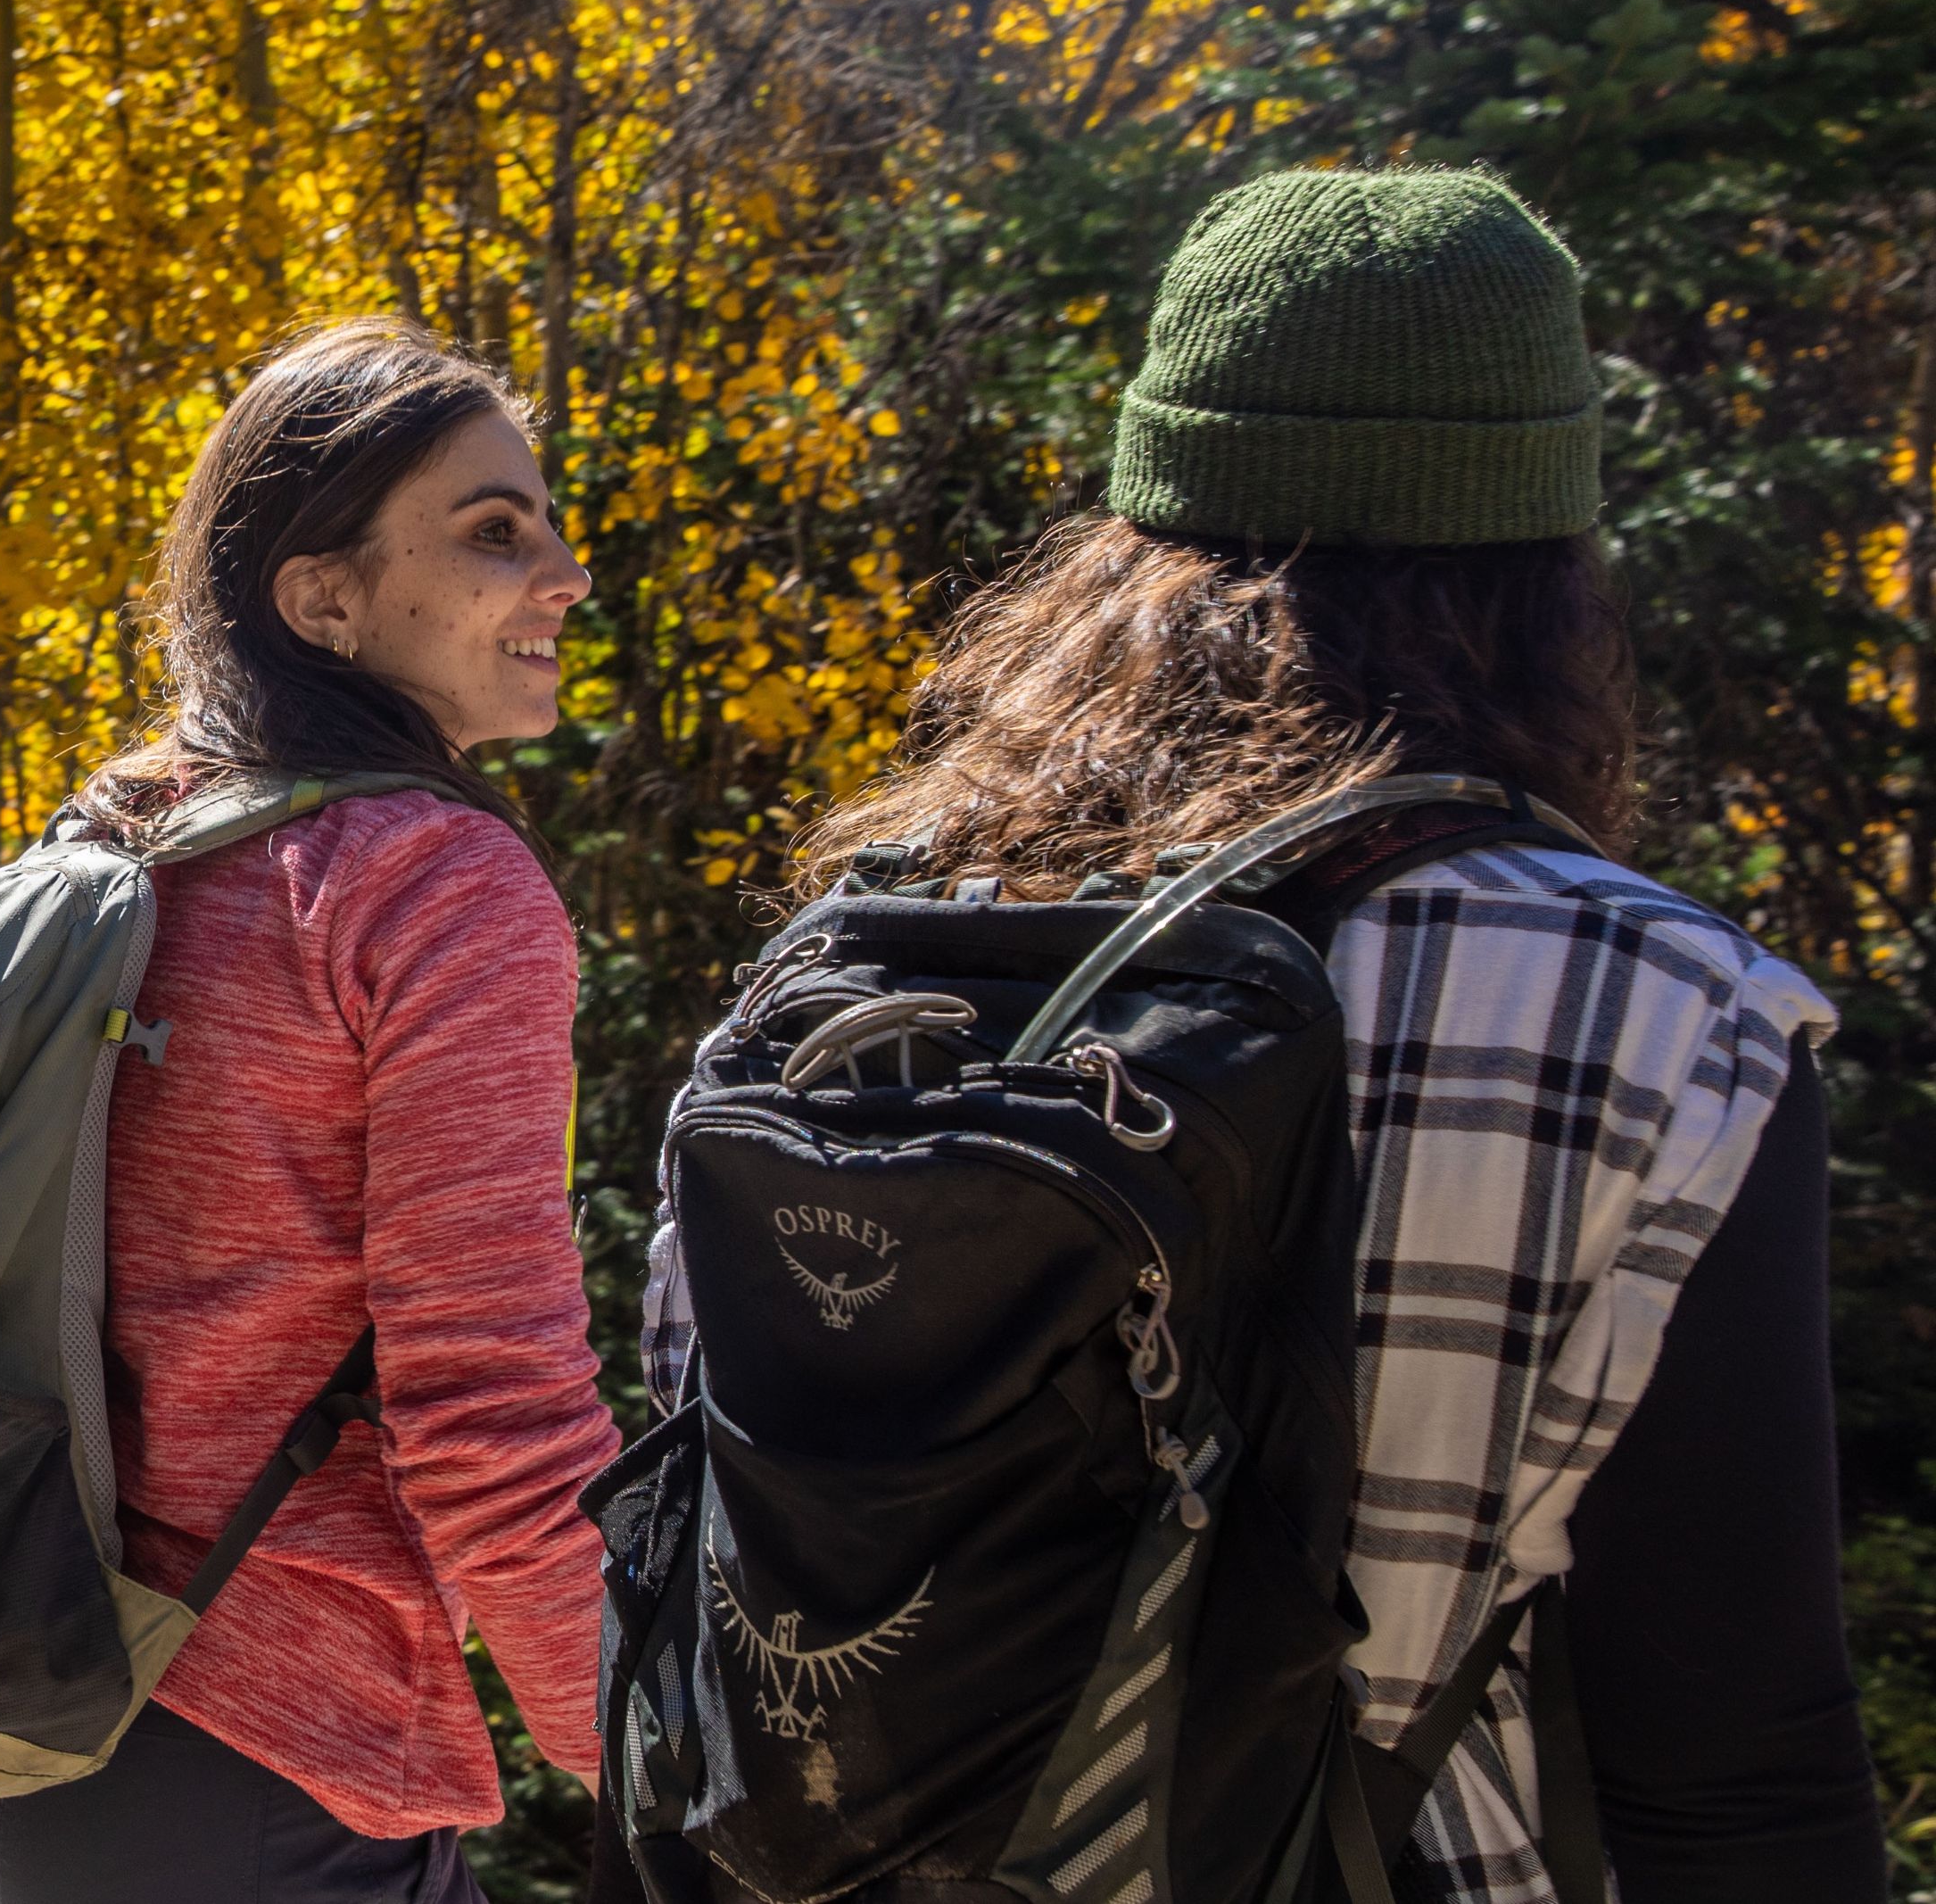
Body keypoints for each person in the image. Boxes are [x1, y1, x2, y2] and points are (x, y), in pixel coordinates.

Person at [645, 168, 1885, 1901]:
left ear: (1134, 537)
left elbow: (707, 1570)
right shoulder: (1660, 1021)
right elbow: (1731, 1759)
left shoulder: (838, 981)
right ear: (1551, 561)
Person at [0, 318, 619, 1903]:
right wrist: (646, 1744)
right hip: (254, 1756)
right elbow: (488, 1418)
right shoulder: (435, 891)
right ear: (324, 597)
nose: (563, 573)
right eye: (495, 532)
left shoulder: (121, 834)